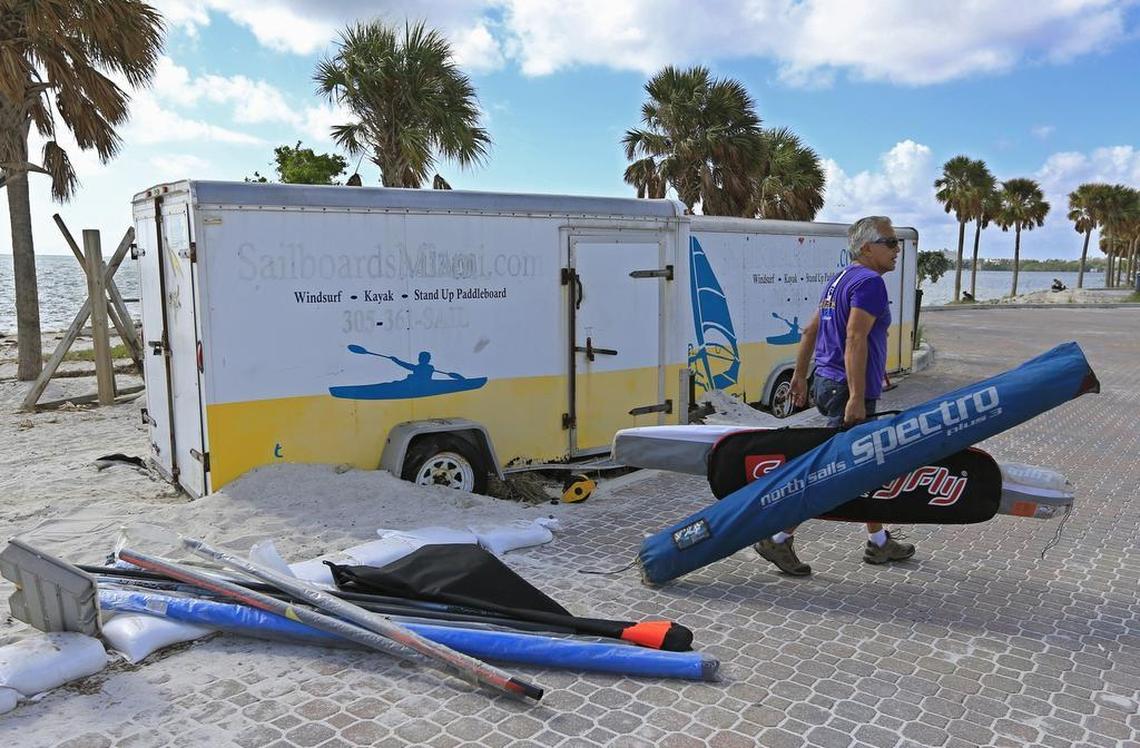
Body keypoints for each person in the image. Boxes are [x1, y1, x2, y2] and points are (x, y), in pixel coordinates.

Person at [754, 216, 916, 576]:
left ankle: (878, 542)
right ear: (866, 247)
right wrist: (857, 397)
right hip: (846, 390)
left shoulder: (839, 279)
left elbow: (811, 329)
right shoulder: (870, 283)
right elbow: (855, 338)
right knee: (833, 471)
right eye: (889, 242)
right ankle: (777, 538)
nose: (897, 249)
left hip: (828, 382)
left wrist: (799, 375)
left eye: (897, 242)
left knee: (866, 466)